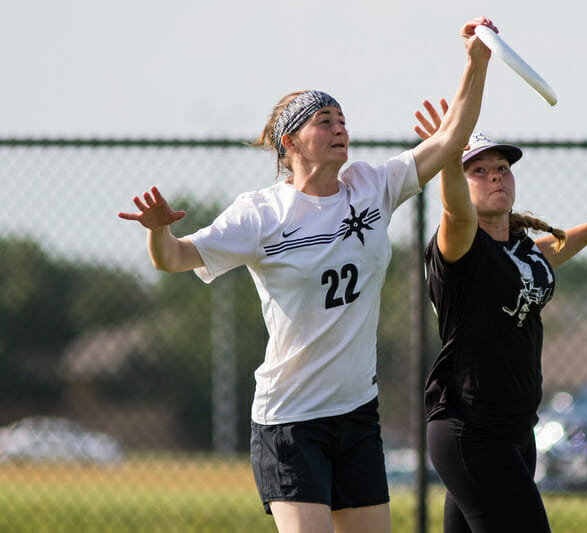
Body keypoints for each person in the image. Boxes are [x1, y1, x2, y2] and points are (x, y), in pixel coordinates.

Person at [117, 17, 498, 533]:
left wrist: (476, 61)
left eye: (342, 118)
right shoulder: (260, 214)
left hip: (357, 414)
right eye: (324, 120)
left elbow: (451, 137)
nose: (340, 127)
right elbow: (175, 258)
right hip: (289, 420)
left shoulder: (370, 186)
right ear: (289, 142)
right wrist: (158, 231)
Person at [414, 100, 587, 532]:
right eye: (477, 170)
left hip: (516, 432)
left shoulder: (519, 248)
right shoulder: (461, 246)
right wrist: (446, 156)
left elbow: (551, 252)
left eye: (501, 166)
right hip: (470, 431)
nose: (495, 174)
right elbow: (454, 210)